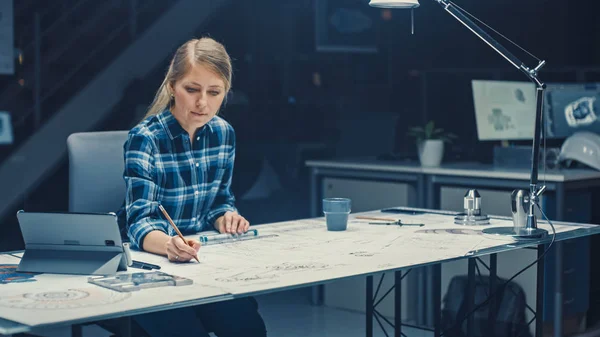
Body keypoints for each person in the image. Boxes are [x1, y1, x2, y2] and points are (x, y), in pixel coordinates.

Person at [118, 37, 267, 337]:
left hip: (200, 262)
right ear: (172, 86)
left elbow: (220, 199)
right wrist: (169, 245)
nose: (203, 103)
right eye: (192, 89)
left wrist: (226, 216)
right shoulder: (145, 138)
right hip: (152, 262)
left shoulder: (223, 133)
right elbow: (139, 222)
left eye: (214, 92)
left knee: (249, 328)